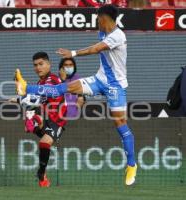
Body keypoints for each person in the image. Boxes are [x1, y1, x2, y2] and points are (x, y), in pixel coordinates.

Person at [15, 5, 137, 186]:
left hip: (116, 86)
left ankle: (132, 165)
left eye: (98, 17)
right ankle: (27, 87)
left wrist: (72, 53)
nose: (96, 20)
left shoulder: (118, 36)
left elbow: (96, 49)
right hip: (99, 80)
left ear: (105, 18)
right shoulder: (103, 29)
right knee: (62, 88)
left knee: (120, 123)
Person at [17, 52, 67, 187]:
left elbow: (48, 91)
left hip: (57, 121)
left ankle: (41, 173)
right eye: (35, 65)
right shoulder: (40, 83)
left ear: (48, 64)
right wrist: (20, 98)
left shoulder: (53, 79)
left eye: (41, 64)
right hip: (45, 117)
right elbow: (34, 98)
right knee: (31, 109)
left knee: (44, 143)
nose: (38, 67)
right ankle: (35, 121)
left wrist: (21, 97)